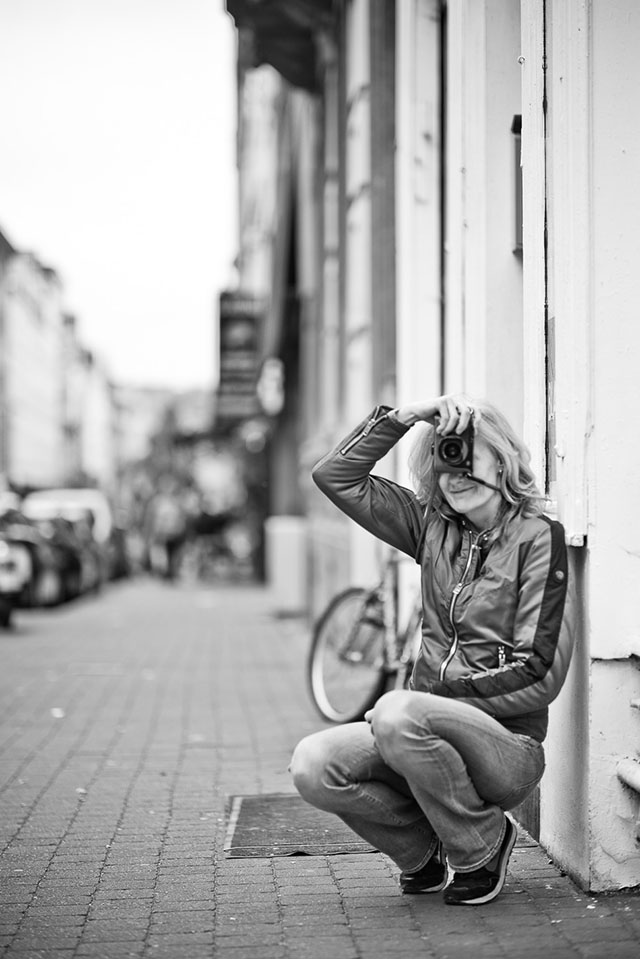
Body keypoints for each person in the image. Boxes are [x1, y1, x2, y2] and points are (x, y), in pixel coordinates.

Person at [290, 395, 575, 906]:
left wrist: (428, 704)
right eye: (445, 457)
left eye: (468, 456)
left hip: (507, 750)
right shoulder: (431, 528)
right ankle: (422, 851)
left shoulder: (538, 538)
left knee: (401, 711)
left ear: (502, 460)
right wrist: (403, 419)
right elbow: (336, 476)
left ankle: (480, 844)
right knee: (315, 763)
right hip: (415, 733)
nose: (455, 472)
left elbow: (540, 672)